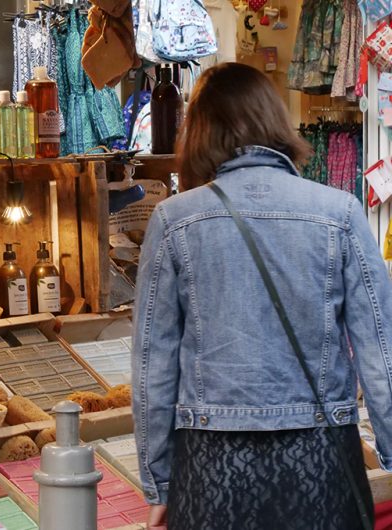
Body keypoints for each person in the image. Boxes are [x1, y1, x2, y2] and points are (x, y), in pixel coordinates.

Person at [132, 62, 388, 530]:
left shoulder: (173, 220)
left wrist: (159, 481)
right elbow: (382, 354)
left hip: (211, 466)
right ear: (274, 119)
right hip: (320, 456)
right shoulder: (340, 213)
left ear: (199, 131)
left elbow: (154, 365)